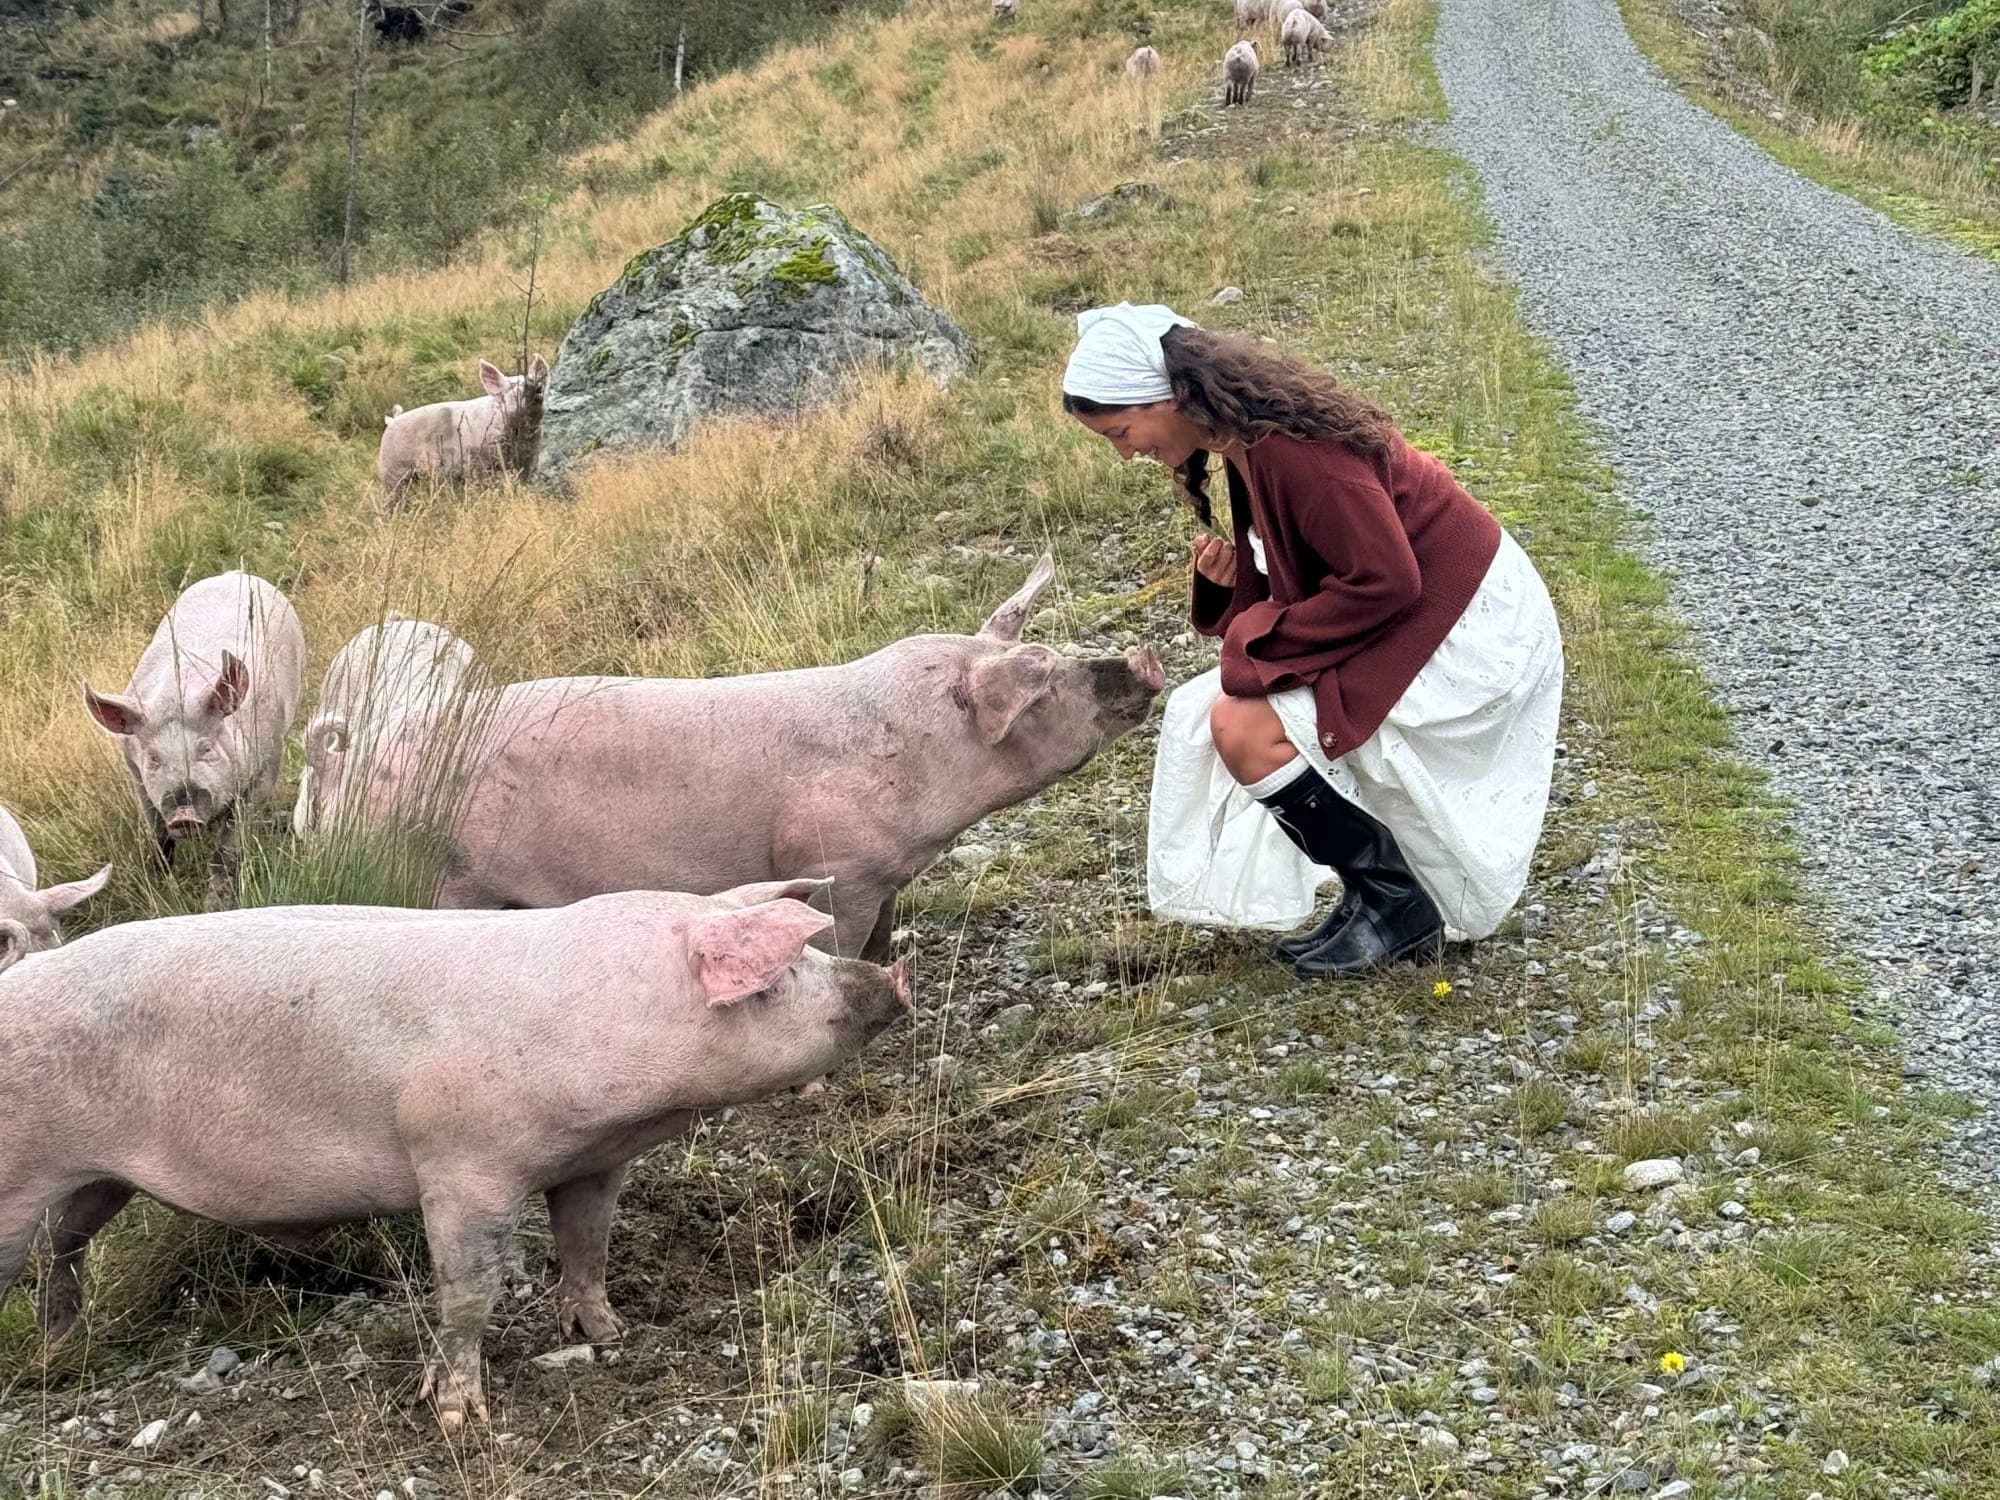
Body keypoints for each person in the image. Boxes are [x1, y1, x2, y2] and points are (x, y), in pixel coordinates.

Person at [1061, 303, 1564, 978]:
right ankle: (1379, 893)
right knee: (1210, 711)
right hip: (1418, 606)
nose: (1126, 453)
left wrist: (1252, 642)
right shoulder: (1243, 441)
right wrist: (1234, 584)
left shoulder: (1293, 451)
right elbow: (1305, 568)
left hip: (1467, 622)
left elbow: (1385, 580)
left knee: (1242, 721)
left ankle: (1397, 901)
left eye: (1122, 431)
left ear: (1170, 396)